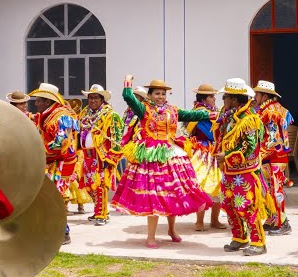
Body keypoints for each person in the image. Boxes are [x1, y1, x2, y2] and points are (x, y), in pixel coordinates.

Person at [111, 75, 214, 248]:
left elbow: (193, 114)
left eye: (163, 94)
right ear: (150, 95)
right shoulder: (143, 109)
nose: (160, 97)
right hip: (151, 158)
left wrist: (213, 114)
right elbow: (128, 97)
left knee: (172, 194)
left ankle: (172, 230)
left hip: (171, 156)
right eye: (157, 93)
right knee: (155, 197)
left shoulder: (173, 110)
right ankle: (151, 236)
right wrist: (128, 81)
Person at [214, 79, 269, 255]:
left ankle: (258, 242)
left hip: (245, 172)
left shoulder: (249, 119)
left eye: (225, 97)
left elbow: (249, 146)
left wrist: (228, 155)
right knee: (230, 205)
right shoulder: (230, 116)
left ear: (234, 99)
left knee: (247, 206)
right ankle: (239, 237)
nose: (223, 101)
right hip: (229, 171)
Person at [29, 82, 79, 244]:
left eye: (38, 100)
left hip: (62, 162)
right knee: (47, 195)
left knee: (55, 196)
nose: (35, 103)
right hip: (52, 161)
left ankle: (63, 233)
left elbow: (60, 144)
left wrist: (39, 151)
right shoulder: (47, 115)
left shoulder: (60, 117)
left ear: (47, 102)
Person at [253, 81, 295, 236]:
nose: (255, 97)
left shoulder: (269, 112)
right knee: (270, 190)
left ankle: (283, 223)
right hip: (275, 157)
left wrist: (257, 155)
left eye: (257, 94)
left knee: (275, 190)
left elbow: (273, 140)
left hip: (273, 158)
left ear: (264, 95)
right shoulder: (278, 109)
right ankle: (272, 220)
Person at [77, 84, 122, 227]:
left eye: (96, 97)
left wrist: (111, 157)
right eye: (90, 98)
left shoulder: (110, 115)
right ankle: (99, 211)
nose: (92, 100)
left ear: (102, 99)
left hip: (102, 156)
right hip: (87, 154)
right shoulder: (84, 114)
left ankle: (103, 215)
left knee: (101, 184)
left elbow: (117, 138)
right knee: (90, 185)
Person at [185, 83, 226, 232]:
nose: (214, 99)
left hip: (216, 151)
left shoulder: (215, 112)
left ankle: (214, 220)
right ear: (203, 99)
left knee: (219, 185)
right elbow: (209, 133)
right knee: (203, 184)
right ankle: (199, 221)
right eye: (211, 96)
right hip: (202, 151)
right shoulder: (199, 113)